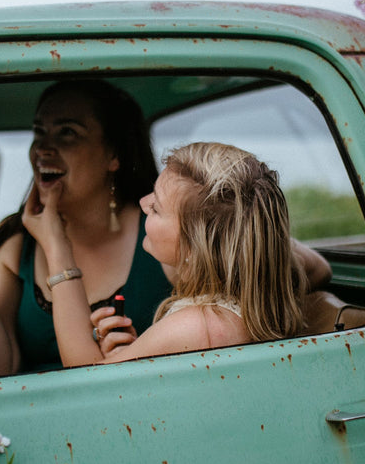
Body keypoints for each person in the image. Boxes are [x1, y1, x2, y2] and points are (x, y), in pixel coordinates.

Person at [0, 83, 331, 375]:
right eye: (40, 132)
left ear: (114, 155)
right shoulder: (16, 245)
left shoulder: (167, 240)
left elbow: (306, 266)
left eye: (67, 133)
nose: (43, 149)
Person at [26, 141, 305, 367]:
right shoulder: (216, 315)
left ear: (193, 249)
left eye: (157, 208)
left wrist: (56, 246)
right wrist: (135, 352)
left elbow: (84, 377)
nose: (143, 203)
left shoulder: (199, 326)